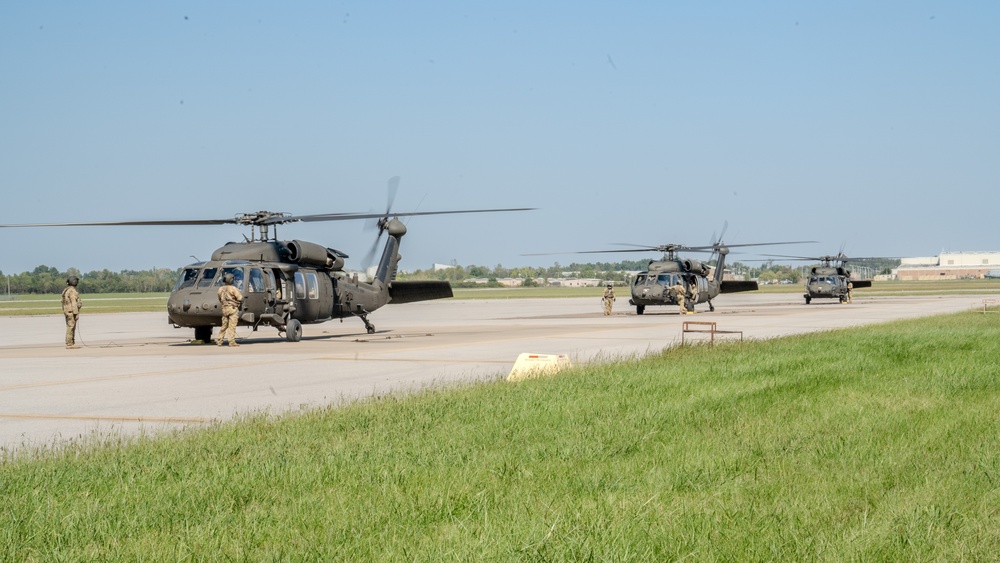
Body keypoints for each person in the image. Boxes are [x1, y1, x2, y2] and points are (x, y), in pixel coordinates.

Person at [217, 273, 244, 347]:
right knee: (232, 326)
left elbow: (220, 299)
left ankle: (219, 341)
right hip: (232, 309)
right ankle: (231, 342)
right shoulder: (233, 288)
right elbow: (240, 298)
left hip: (224, 309)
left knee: (224, 326)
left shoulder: (220, 289)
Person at [61, 275, 83, 349]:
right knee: (71, 327)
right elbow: (74, 303)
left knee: (70, 326)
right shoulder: (72, 291)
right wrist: (76, 313)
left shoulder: (66, 290)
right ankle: (70, 343)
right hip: (71, 311)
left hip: (67, 311)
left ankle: (71, 342)